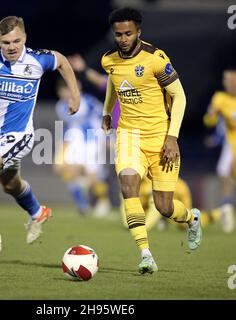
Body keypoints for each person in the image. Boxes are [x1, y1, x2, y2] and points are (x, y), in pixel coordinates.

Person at [0, 16, 80, 258]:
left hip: (20, 135)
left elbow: (62, 61)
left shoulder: (37, 59)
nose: (11, 47)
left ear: (25, 38)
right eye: (5, 42)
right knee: (11, 185)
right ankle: (37, 212)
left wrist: (74, 94)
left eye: (16, 41)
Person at [101, 7, 202, 274]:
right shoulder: (108, 60)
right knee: (128, 180)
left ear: (138, 32)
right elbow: (114, 81)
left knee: (164, 207)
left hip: (160, 138)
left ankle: (192, 219)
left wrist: (172, 137)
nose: (122, 39)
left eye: (128, 33)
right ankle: (145, 254)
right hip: (129, 134)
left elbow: (180, 97)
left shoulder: (156, 59)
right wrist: (107, 111)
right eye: (118, 34)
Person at [54, 79, 110, 216]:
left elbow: (103, 117)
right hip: (75, 140)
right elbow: (71, 125)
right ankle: (82, 204)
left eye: (66, 89)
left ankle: (103, 201)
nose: (64, 93)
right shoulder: (61, 106)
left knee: (93, 175)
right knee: (68, 170)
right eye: (62, 91)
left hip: (93, 139)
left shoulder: (88, 101)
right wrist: (63, 142)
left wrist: (108, 137)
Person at [203, 69, 236, 233]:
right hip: (231, 143)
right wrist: (212, 114)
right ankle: (226, 207)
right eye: (227, 81)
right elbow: (210, 121)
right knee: (224, 172)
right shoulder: (220, 98)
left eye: (232, 80)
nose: (230, 84)